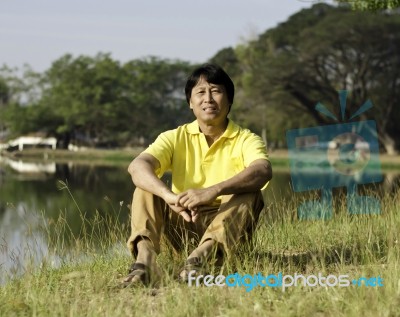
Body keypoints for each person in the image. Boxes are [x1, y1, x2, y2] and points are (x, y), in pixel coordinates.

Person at [122, 63, 272, 287]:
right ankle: (145, 263)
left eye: (216, 91)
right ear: (190, 103)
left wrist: (213, 190)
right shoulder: (174, 136)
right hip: (183, 221)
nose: (208, 99)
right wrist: (169, 196)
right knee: (145, 187)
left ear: (229, 101)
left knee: (250, 191)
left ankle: (200, 258)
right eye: (200, 92)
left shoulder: (246, 139)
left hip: (226, 229)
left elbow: (262, 170)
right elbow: (137, 166)